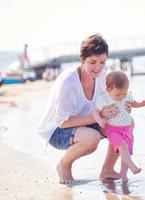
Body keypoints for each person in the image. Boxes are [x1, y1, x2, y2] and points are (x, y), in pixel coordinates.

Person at [37, 34, 129, 184]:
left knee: (126, 124)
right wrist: (99, 117)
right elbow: (63, 123)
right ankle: (64, 165)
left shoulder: (101, 77)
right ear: (82, 59)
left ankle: (107, 169)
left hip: (85, 124)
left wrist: (123, 107)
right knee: (92, 138)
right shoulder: (69, 82)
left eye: (102, 62)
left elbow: (108, 104)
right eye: (92, 62)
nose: (98, 67)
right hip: (57, 131)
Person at [93, 71, 145, 181]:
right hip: (113, 131)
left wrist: (143, 103)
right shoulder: (104, 99)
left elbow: (134, 104)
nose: (121, 97)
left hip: (127, 130)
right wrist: (100, 120)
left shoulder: (126, 95)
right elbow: (95, 112)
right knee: (123, 147)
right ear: (108, 90)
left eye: (124, 93)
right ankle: (133, 166)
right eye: (118, 94)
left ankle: (124, 175)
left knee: (126, 153)